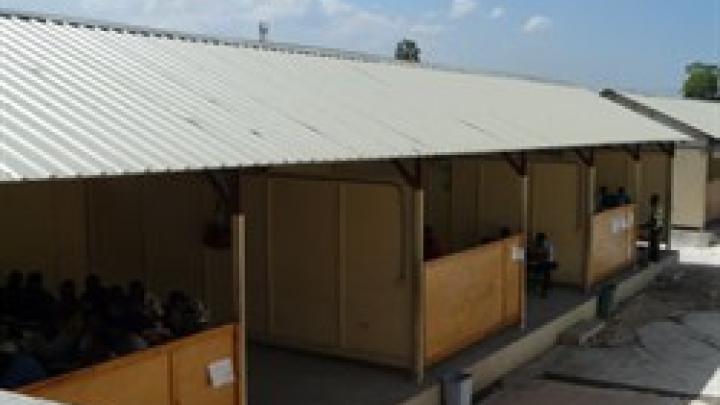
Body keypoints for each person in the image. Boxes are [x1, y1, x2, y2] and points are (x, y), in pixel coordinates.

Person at [527, 232, 558, 298]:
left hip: (548, 262)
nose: (538, 242)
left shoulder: (549, 245)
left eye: (539, 241)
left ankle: (544, 290)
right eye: (537, 241)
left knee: (545, 270)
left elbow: (549, 257)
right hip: (540, 262)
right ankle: (533, 285)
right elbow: (534, 253)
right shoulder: (537, 244)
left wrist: (539, 258)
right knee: (529, 267)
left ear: (543, 240)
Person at [647, 194, 664, 262]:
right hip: (659, 226)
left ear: (654, 201)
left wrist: (650, 225)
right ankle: (655, 258)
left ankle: (654, 258)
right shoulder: (659, 207)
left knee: (654, 243)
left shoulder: (655, 208)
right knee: (655, 243)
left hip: (656, 227)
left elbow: (654, 219)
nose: (650, 201)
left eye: (651, 200)